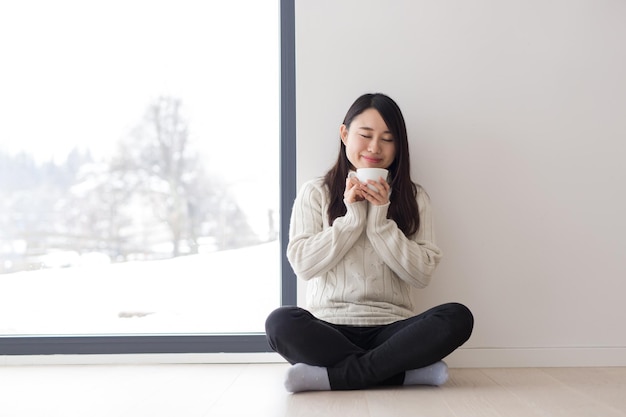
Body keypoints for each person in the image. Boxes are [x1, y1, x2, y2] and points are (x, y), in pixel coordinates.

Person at [265, 93, 473, 393]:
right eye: (365, 135)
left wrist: (380, 221)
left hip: (393, 330)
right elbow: (303, 265)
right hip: (329, 327)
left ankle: (332, 377)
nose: (375, 147)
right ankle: (401, 375)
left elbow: (422, 274)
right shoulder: (316, 192)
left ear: (398, 145)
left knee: (457, 317)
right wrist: (351, 219)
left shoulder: (414, 197)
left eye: (388, 139)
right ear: (344, 134)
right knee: (280, 322)